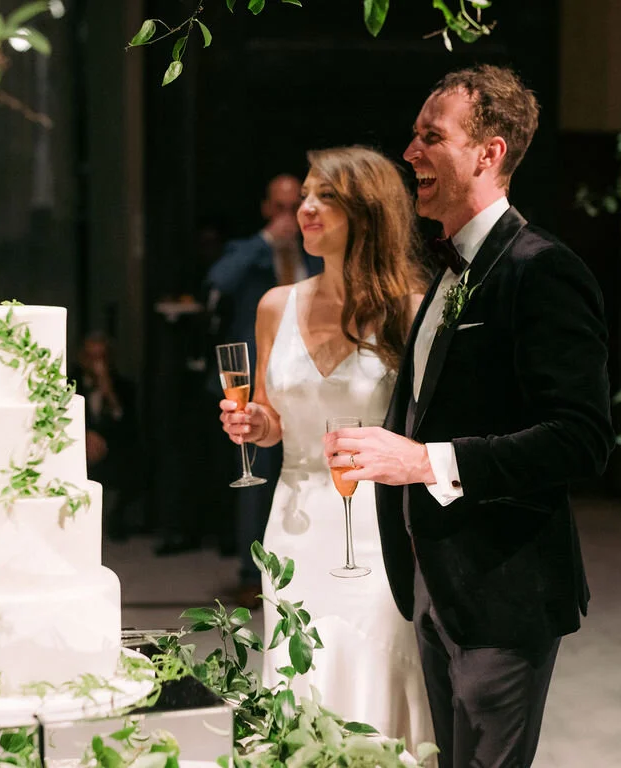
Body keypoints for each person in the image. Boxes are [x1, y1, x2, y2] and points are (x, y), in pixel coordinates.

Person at [324, 65, 615, 768]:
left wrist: (425, 461)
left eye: (431, 138)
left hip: (502, 593)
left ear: (488, 152)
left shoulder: (542, 269)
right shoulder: (450, 273)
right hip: (433, 585)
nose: (411, 154)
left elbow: (580, 439)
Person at [219, 147, 434, 748]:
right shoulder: (275, 306)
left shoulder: (411, 312)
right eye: (305, 196)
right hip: (294, 520)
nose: (306, 208)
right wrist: (251, 424)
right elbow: (271, 418)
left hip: (377, 521)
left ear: (367, 212)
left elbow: (428, 428)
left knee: (374, 661)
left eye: (324, 197)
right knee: (297, 667)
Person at [201, 174, 323, 605]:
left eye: (296, 207)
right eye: (280, 208)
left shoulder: (317, 254)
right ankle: (250, 571)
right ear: (266, 209)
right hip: (256, 380)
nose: (290, 217)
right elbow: (217, 281)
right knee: (256, 475)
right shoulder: (247, 252)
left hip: (308, 378)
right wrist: (268, 240)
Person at [70, 332, 139, 541]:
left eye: (101, 358)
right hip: (76, 443)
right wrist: (84, 436)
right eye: (92, 357)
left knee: (132, 458)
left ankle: (115, 520)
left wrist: (107, 389)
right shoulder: (68, 383)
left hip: (111, 445)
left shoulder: (124, 386)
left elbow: (125, 422)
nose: (96, 363)